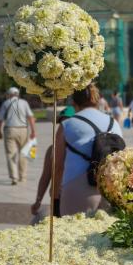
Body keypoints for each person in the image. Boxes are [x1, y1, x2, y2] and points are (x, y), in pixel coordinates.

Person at [53, 84, 123, 216]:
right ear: (97, 100)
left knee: (71, 233)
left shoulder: (67, 125)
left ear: (74, 102)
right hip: (110, 189)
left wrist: (55, 195)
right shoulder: (113, 123)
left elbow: (58, 167)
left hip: (76, 190)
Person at [30, 106, 75, 223]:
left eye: (67, 122)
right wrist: (38, 200)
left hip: (75, 197)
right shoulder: (52, 149)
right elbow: (46, 176)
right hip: (57, 198)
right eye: (61, 122)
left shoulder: (80, 149)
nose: (63, 126)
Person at [0, 87, 36, 185]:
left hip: (10, 130)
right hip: (23, 129)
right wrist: (33, 131)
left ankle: (14, 177)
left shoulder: (6, 103)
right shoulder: (24, 103)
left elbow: (0, 119)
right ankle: (22, 177)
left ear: (9, 94)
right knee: (23, 153)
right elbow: (31, 117)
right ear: (17, 94)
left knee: (10, 154)